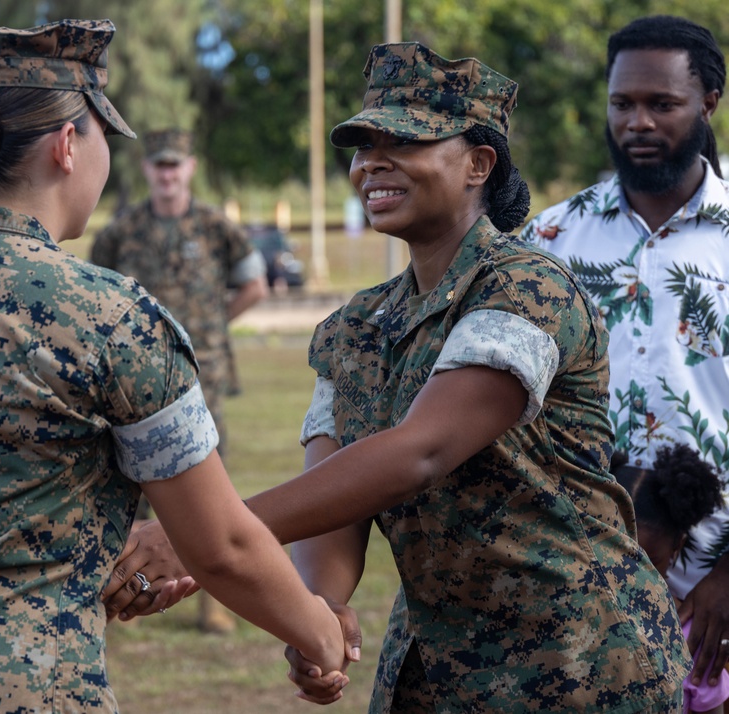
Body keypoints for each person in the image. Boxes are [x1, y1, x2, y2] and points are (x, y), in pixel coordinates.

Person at [105, 41, 692, 711]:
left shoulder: (527, 289)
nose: (372, 164)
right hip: (435, 673)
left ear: (478, 163)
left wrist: (200, 537)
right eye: (362, 147)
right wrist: (317, 609)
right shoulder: (354, 329)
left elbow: (421, 450)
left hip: (580, 667)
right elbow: (336, 499)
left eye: (405, 142)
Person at [0, 19, 348, 713]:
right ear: (66, 145)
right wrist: (323, 637)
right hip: (20, 692)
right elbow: (223, 546)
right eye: (103, 137)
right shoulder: (108, 314)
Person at [522, 15, 729, 688]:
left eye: (661, 104)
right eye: (622, 103)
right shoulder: (547, 241)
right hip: (578, 575)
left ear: (708, 104)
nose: (638, 122)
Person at [90, 127, 269, 633]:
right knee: (128, 484)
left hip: (200, 374)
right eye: (159, 166)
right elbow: (93, 297)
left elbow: (254, 284)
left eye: (176, 165)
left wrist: (206, 329)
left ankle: (214, 601)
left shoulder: (217, 226)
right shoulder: (120, 231)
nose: (167, 174)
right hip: (131, 382)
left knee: (211, 489)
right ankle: (124, 592)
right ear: (147, 170)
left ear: (190, 168)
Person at [612, 445, 729, 713]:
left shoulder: (692, 640)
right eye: (617, 558)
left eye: (649, 563)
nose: (631, 576)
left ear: (677, 547)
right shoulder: (577, 612)